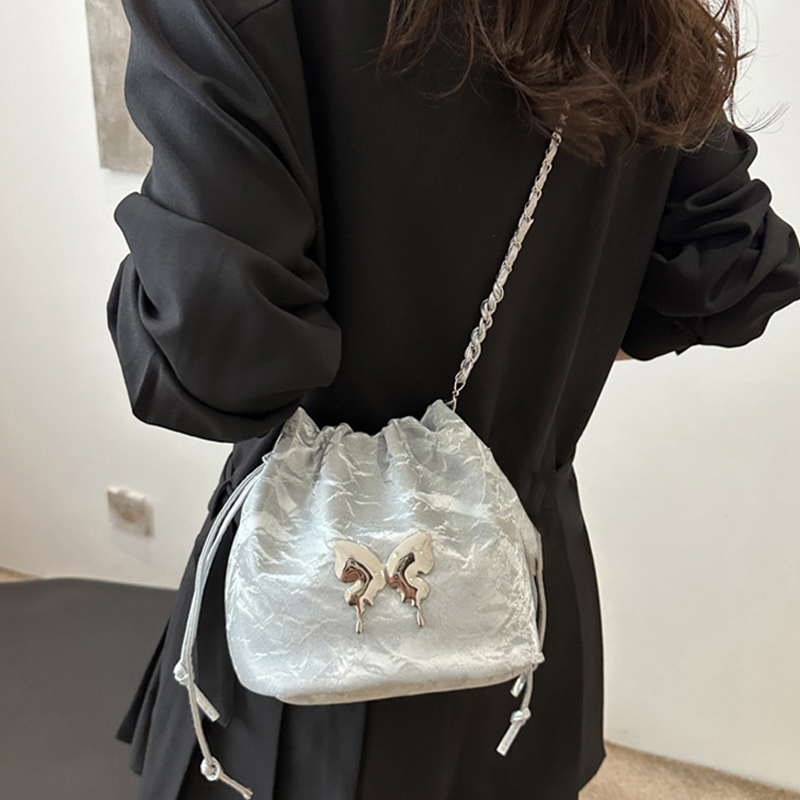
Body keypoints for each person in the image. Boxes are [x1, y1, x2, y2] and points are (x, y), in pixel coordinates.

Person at [105, 0, 800, 798]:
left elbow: (219, 358)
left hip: (312, 606)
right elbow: (734, 268)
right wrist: (555, 338)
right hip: (516, 588)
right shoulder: (635, 13)